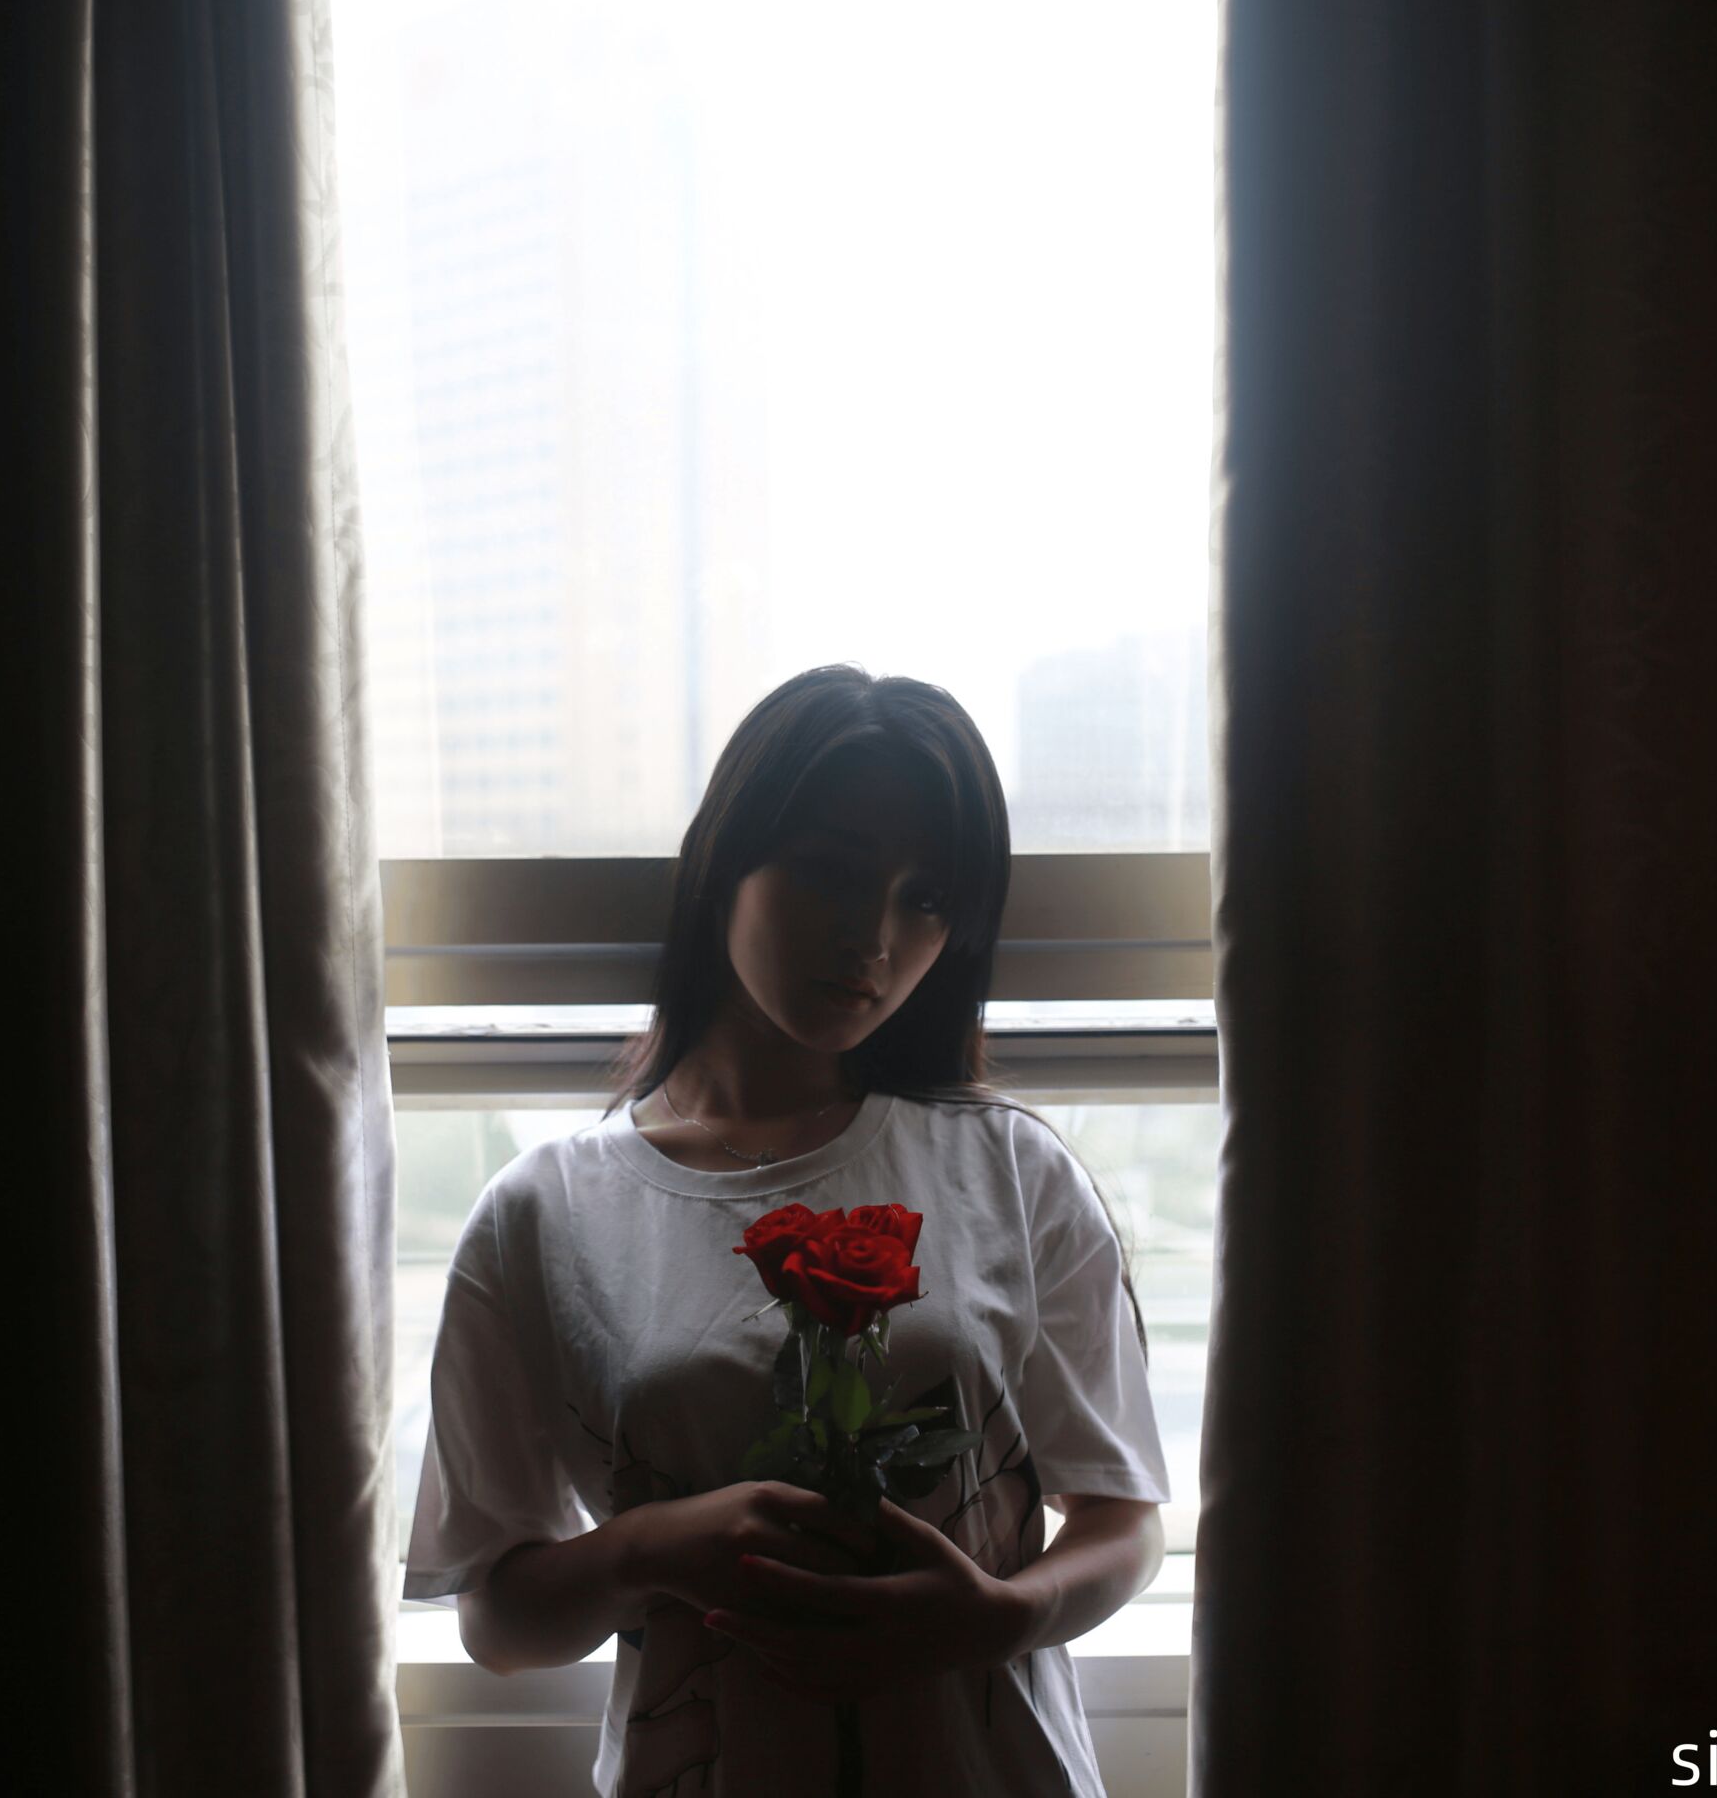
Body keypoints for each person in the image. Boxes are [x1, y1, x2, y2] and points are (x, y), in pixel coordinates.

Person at [401, 665, 1171, 1796]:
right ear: (726, 860)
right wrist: (657, 1546)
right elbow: (500, 1624)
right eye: (832, 871)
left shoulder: (1006, 1168)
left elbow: (1124, 1517)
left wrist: (998, 1617)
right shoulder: (544, 1212)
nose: (873, 937)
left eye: (926, 898)